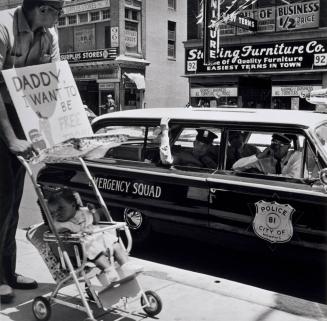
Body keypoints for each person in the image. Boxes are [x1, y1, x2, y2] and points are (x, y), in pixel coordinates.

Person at [0, 0, 64, 303]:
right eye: (58, 12)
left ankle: (7, 273)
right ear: (42, 8)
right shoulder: (3, 28)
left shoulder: (48, 35)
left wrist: (58, 132)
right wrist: (11, 138)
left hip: (18, 115)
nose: (58, 19)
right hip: (1, 116)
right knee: (2, 200)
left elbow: (51, 86)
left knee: (11, 202)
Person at [47, 189, 142, 285]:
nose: (56, 214)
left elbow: (96, 220)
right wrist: (71, 231)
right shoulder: (60, 223)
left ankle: (126, 265)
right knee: (96, 253)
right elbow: (56, 229)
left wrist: (93, 211)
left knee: (116, 245)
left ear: (73, 204)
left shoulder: (84, 211)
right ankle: (109, 270)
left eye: (60, 209)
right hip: (85, 245)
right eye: (53, 212)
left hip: (100, 236)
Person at [232, 133, 303, 178]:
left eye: (281, 144)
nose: (276, 147)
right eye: (274, 143)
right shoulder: (264, 158)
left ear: (288, 146)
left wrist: (263, 175)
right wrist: (258, 156)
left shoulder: (296, 156)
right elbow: (235, 167)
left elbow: (294, 179)